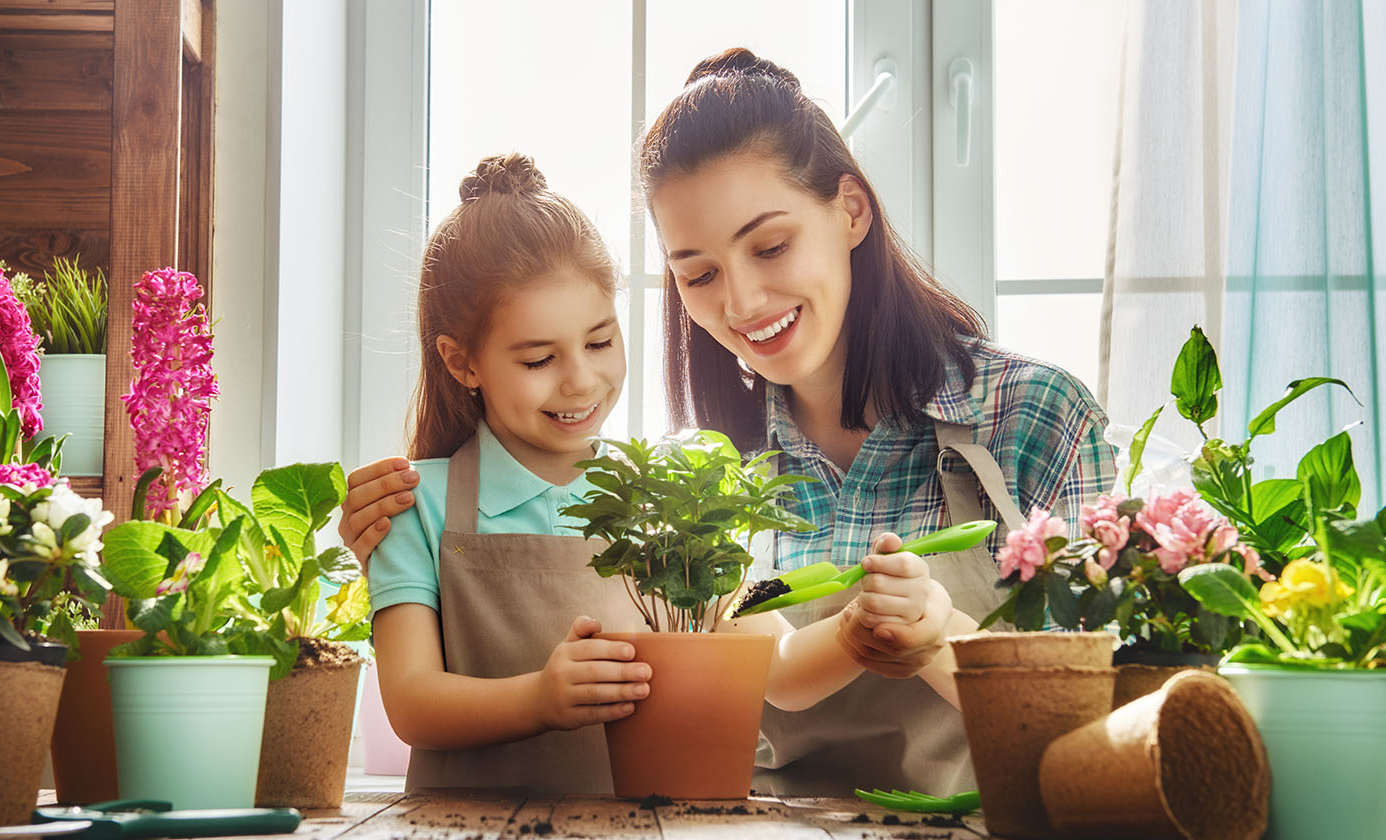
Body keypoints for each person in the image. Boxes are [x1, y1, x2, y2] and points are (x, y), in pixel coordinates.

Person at [350, 50, 1117, 796]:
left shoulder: (1033, 418)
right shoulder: (701, 478)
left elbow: (1099, 729)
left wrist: (939, 637)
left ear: (851, 210)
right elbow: (772, 675)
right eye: (700, 273)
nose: (743, 301)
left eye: (771, 245)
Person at [370, 151, 950, 796]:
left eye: (599, 342)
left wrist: (856, 628)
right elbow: (413, 704)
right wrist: (539, 699)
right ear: (461, 362)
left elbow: (778, 673)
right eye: (538, 359)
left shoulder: (668, 501)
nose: (581, 381)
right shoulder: (413, 508)